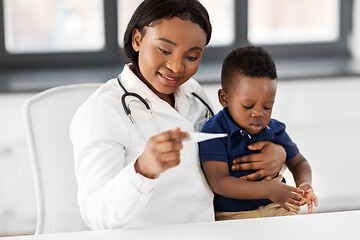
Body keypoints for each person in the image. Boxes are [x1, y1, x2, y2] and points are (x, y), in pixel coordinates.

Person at [70, 0, 287, 229]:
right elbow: (96, 214)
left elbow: (226, 152)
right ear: (137, 40)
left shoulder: (194, 94)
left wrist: (278, 154)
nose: (177, 67)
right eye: (164, 50)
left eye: (191, 57)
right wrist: (142, 170)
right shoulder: (101, 112)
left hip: (214, 228)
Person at [199, 46, 319, 221]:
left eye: (267, 106)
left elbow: (299, 162)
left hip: (278, 207)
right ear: (224, 99)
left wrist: (304, 184)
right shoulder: (214, 131)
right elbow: (218, 182)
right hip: (234, 216)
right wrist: (268, 190)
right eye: (248, 106)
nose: (258, 113)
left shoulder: (274, 129)